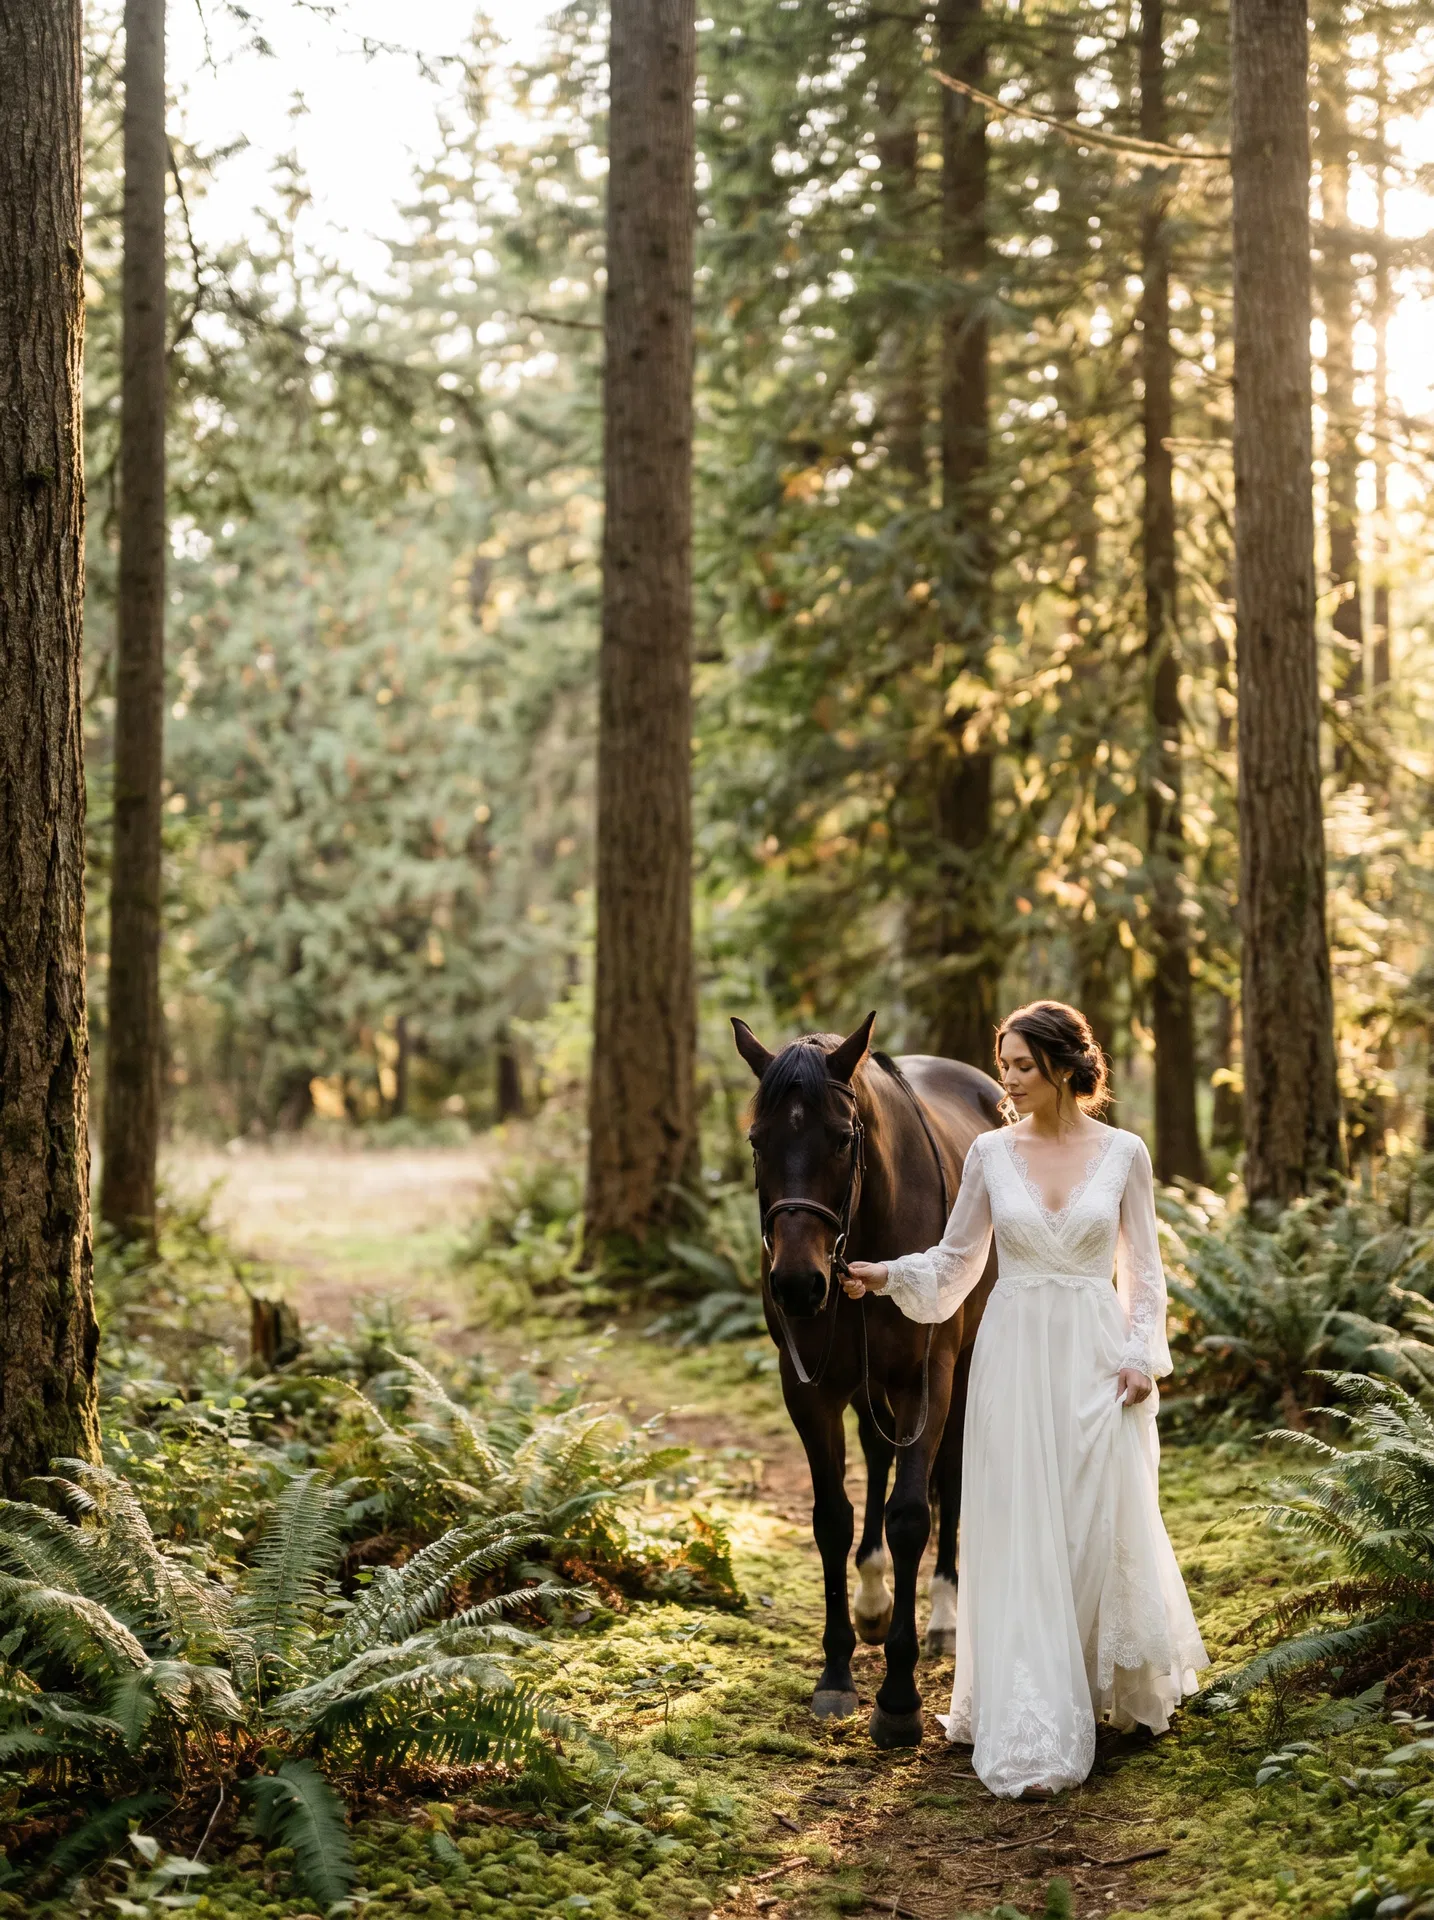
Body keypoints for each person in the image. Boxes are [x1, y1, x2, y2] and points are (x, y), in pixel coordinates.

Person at [841, 1000, 1207, 1799]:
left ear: (1065, 1067)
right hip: (1010, 1356)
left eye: (1021, 1066)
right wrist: (886, 1275)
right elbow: (955, 1261)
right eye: (1002, 1063)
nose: (1007, 1079)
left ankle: (1092, 1679)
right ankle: (1032, 1709)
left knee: (1089, 1519)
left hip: (1093, 1354)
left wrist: (1144, 1357)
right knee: (1021, 1524)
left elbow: (1143, 1272)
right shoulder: (988, 1154)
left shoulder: (1124, 1154)